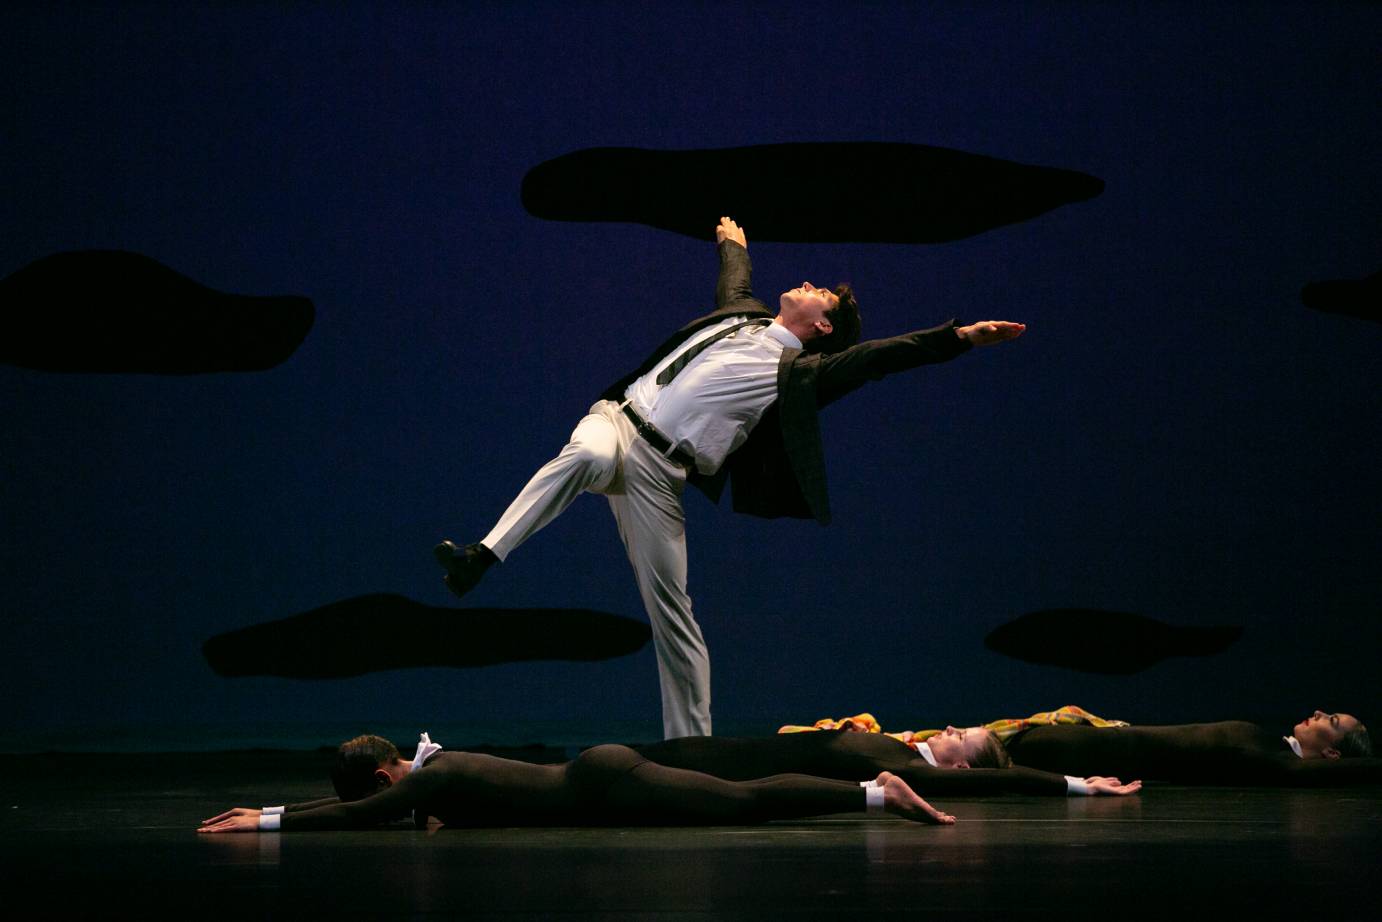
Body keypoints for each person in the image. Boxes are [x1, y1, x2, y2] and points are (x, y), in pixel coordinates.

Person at [434, 217, 1025, 738]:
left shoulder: (802, 374)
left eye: (822, 295)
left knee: (675, 614)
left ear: (822, 328)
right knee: (584, 457)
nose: (810, 285)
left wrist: (959, 338)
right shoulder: (743, 317)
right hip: (618, 421)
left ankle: (691, 751)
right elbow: (736, 284)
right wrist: (732, 244)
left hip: (662, 476)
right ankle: (480, 558)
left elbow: (877, 359)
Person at [197, 734, 957, 833]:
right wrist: (264, 807)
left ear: (388, 773)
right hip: (601, 781)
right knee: (743, 798)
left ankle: (877, 793)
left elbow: (357, 819)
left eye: (381, 791)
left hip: (606, 783)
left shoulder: (435, 776)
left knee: (746, 803)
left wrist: (264, 821)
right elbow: (379, 810)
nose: (390, 803)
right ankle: (871, 793)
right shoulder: (439, 777)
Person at [630, 727, 1141, 797]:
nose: (949, 730)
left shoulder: (915, 771)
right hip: (734, 748)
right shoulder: (902, 747)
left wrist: (1078, 784)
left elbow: (1009, 781)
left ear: (961, 768)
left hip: (730, 769)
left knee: (634, 770)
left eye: (959, 737)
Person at [943, 711, 1376, 785]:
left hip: (1084, 750)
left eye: (1332, 722)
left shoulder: (1277, 761)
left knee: (979, 749)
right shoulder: (1270, 745)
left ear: (1333, 754)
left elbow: (1354, 771)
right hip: (1088, 742)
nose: (1320, 713)